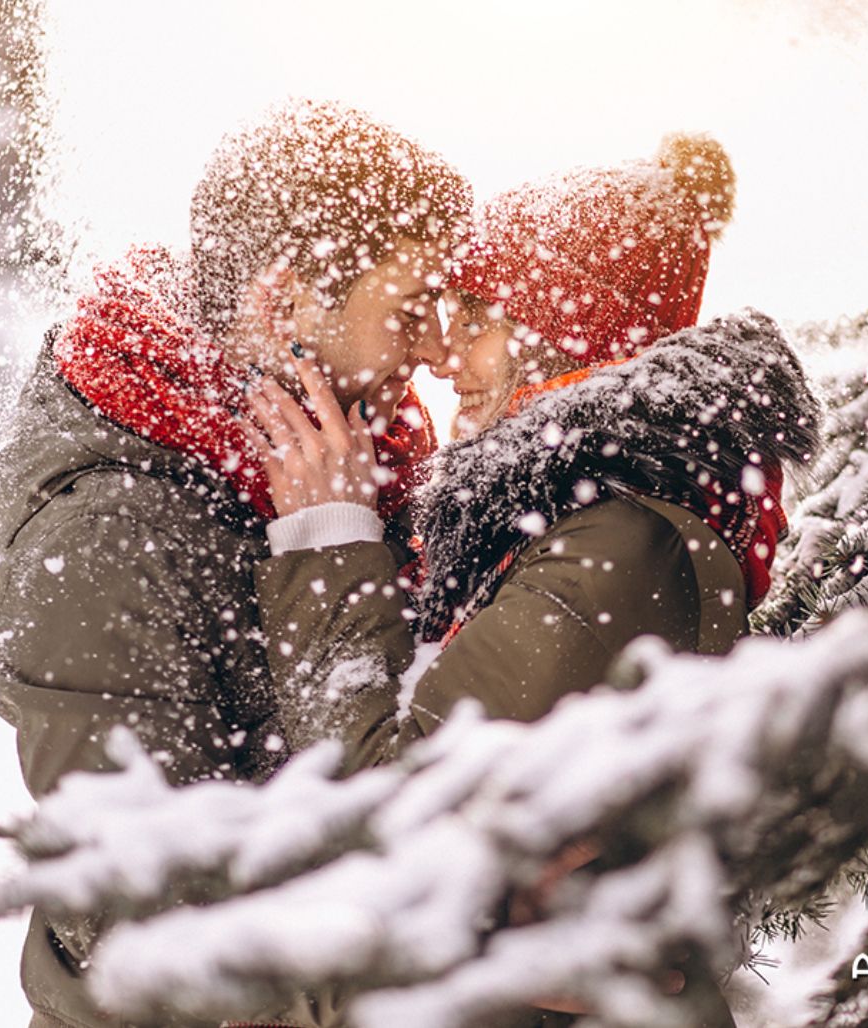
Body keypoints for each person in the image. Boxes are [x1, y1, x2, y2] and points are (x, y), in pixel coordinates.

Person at [247, 136, 821, 1025]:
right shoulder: (578, 520)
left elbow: (394, 808)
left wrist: (328, 536)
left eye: (476, 319)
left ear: (561, 333)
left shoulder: (615, 547)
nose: (443, 356)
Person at [0, 98, 472, 1028]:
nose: (438, 349)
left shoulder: (351, 469)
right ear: (282, 304)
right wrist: (477, 970)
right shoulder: (111, 540)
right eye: (410, 308)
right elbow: (148, 927)